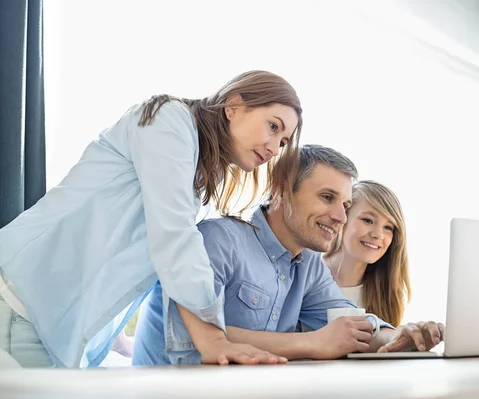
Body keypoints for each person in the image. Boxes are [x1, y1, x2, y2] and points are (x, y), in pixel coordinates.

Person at [0, 70, 302, 368]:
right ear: (233, 106)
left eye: (284, 142)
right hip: (23, 297)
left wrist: (114, 339)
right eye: (273, 127)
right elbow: (175, 239)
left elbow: (132, 252)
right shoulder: (168, 120)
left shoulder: (201, 168)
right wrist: (213, 341)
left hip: (42, 313)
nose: (275, 148)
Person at [132, 145, 444, 365]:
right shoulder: (218, 239)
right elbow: (190, 335)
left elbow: (350, 323)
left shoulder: (308, 265)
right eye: (327, 197)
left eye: (346, 205)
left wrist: (396, 336)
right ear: (281, 189)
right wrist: (313, 343)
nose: (341, 216)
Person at [323, 180, 411, 328]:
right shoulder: (307, 273)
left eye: (388, 227)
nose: (378, 234)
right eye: (368, 220)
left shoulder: (386, 291)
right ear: (343, 218)